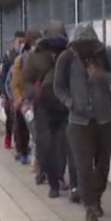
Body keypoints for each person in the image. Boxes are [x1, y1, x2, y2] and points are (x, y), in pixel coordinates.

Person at [54, 23, 111, 221]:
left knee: (103, 165)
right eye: (81, 44)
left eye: (89, 43)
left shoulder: (105, 55)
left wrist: (103, 75)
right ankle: (89, 209)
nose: (85, 48)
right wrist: (70, 103)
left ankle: (97, 198)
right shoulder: (67, 58)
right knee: (83, 167)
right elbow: (59, 87)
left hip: (104, 119)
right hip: (79, 122)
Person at [22, 22, 72, 198]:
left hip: (64, 106)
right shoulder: (35, 57)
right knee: (46, 145)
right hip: (43, 106)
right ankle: (53, 181)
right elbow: (26, 81)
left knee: (63, 145)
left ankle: (59, 178)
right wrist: (37, 93)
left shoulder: (69, 54)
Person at [9, 31, 39, 165]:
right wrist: (18, 98)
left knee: (37, 132)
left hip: (39, 100)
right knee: (22, 128)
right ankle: (23, 152)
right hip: (23, 100)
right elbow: (15, 82)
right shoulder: (20, 59)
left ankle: (37, 162)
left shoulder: (45, 58)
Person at [0, 31, 27, 150]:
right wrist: (3, 94)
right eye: (19, 42)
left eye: (23, 42)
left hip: (22, 92)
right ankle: (8, 138)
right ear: (14, 42)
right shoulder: (8, 55)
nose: (21, 44)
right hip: (9, 92)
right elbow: (3, 75)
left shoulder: (27, 55)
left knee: (20, 120)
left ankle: (19, 144)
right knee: (11, 118)